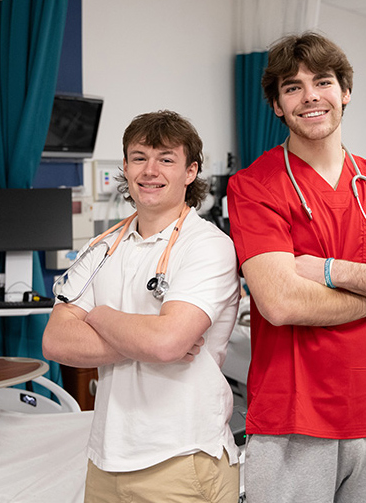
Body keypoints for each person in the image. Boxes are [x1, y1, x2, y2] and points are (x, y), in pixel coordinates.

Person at [226, 32, 366, 502]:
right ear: (276, 105)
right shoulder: (255, 186)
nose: (310, 96)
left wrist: (330, 271)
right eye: (292, 87)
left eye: (322, 82)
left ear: (344, 92)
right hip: (294, 421)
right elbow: (281, 302)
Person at [43, 110, 241, 503]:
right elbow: (55, 341)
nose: (150, 170)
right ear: (125, 167)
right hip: (105, 459)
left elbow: (166, 343)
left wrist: (98, 316)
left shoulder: (207, 246)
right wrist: (148, 339)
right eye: (139, 157)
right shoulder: (102, 247)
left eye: (166, 158)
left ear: (190, 172)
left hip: (182, 459)